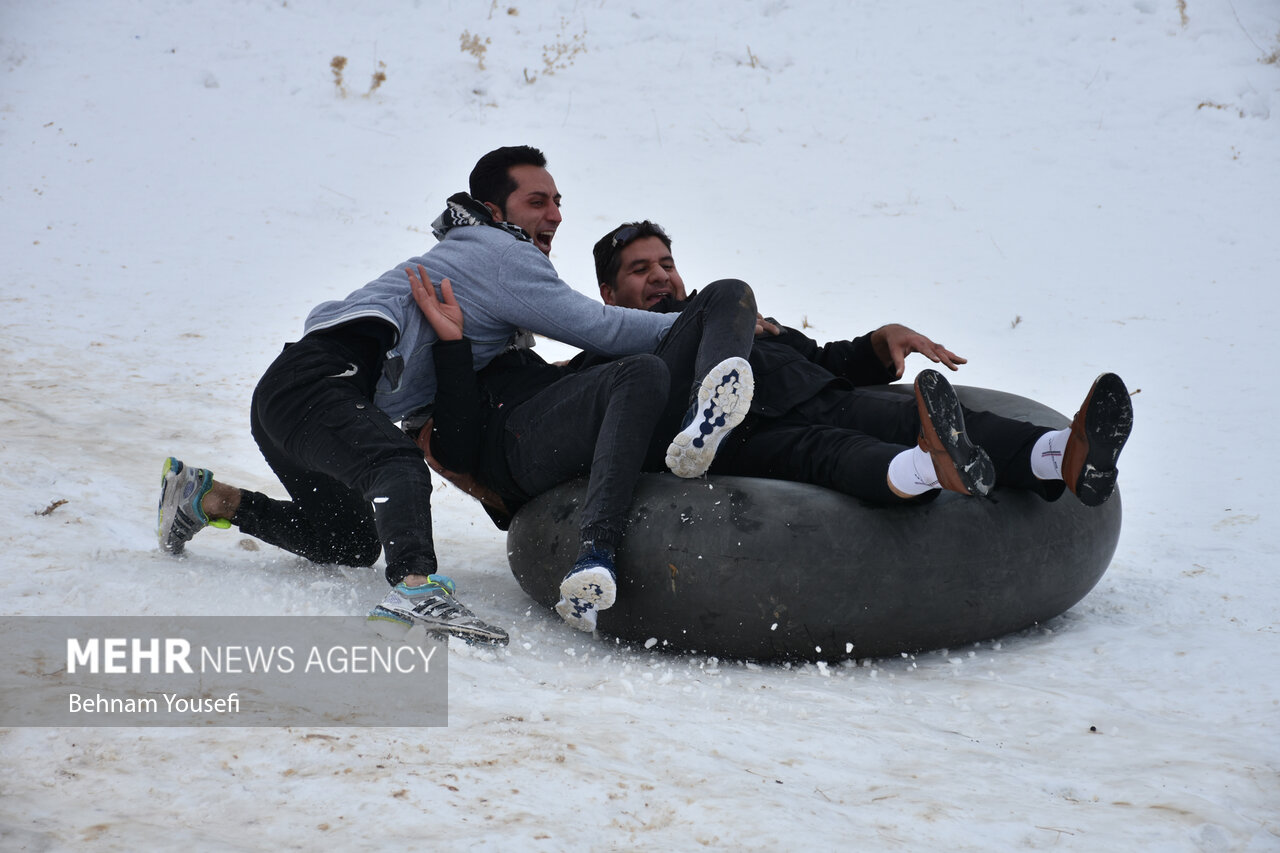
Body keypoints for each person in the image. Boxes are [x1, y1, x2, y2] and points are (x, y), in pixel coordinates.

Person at [154, 147, 754, 644]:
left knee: (348, 540)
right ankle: (416, 592)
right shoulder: (498, 254)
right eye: (538, 201)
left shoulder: (474, 259)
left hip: (296, 402)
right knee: (395, 467)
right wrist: (701, 321)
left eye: (559, 201)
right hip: (318, 380)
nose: (556, 215)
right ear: (496, 210)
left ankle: (209, 499)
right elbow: (598, 327)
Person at [587, 220, 1134, 507]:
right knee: (831, 453)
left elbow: (823, 359)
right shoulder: (610, 354)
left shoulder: (735, 314)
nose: (660, 276)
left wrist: (879, 341)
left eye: (666, 263)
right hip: (747, 435)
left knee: (921, 419)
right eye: (640, 270)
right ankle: (927, 469)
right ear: (609, 294)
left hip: (823, 395)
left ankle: (1061, 453)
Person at [413, 262, 761, 631]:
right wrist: (452, 346)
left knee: (728, 291)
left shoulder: (540, 359)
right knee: (640, 370)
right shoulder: (458, 370)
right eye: (640, 267)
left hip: (630, 420)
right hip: (523, 450)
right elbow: (455, 451)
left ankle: (701, 423)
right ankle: (596, 550)